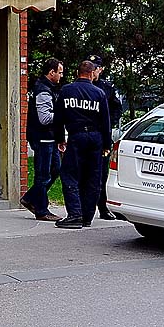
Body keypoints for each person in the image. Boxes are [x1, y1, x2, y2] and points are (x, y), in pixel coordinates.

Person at [53, 60, 112, 229]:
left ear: (77, 72)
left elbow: (58, 118)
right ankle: (87, 216)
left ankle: (75, 215)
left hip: (77, 136)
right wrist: (106, 145)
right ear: (92, 73)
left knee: (69, 174)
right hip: (96, 138)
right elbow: (105, 122)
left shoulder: (66, 90)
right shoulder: (99, 93)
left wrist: (60, 139)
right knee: (93, 177)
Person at [21, 58, 64, 221]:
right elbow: (44, 118)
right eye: (59, 72)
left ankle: (30, 198)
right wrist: (63, 115)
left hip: (50, 138)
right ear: (51, 72)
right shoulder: (43, 90)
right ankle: (41, 210)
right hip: (43, 138)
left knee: (55, 170)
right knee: (43, 174)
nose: (61, 75)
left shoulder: (50, 88)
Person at [87, 54, 123, 221]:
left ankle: (102, 207)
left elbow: (116, 107)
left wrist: (110, 124)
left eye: (96, 67)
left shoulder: (106, 88)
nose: (94, 70)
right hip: (85, 134)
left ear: (100, 69)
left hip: (101, 135)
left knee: (101, 174)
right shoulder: (81, 86)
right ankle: (83, 208)